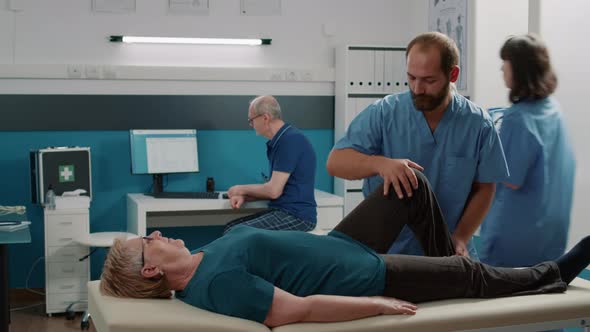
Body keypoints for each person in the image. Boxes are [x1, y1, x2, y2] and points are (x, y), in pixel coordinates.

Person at [99, 171, 590, 328]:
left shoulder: (207, 257)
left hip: (342, 245)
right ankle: (553, 273)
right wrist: (375, 303)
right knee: (473, 278)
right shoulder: (217, 285)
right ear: (149, 273)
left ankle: (452, 267)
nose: (158, 235)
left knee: (408, 184)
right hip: (365, 275)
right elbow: (299, 309)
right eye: (150, 241)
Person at [327, 32, 508, 257]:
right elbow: (336, 162)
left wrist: (461, 237)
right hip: (389, 252)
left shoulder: (478, 124)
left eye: (429, 80)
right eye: (411, 78)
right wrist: (379, 164)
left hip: (447, 251)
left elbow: (485, 187)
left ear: (453, 74)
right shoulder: (384, 113)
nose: (417, 88)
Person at [479, 34, 576, 267]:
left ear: (520, 69)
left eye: (506, 62)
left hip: (514, 236)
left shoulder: (517, 120)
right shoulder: (553, 110)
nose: (502, 68)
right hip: (551, 231)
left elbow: (509, 178)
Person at [224, 95, 317, 233]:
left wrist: (240, 189)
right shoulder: (283, 139)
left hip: (297, 216)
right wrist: (244, 195)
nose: (251, 125)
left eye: (251, 120)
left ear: (265, 118)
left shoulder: (289, 141)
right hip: (285, 211)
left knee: (235, 232)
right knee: (231, 228)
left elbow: (273, 191)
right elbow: (276, 190)